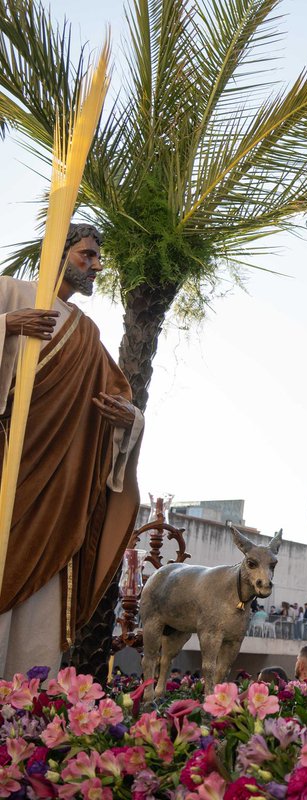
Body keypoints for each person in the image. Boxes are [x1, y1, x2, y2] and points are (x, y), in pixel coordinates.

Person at [0, 223, 144, 676]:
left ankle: (24, 718)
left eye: (98, 258)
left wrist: (130, 421)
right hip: (8, 478)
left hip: (57, 498)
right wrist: (6, 325)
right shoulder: (10, 293)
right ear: (57, 254)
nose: (97, 265)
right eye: (87, 255)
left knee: (38, 620)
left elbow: (118, 402)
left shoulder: (87, 333)